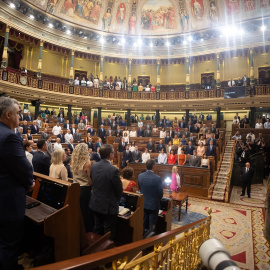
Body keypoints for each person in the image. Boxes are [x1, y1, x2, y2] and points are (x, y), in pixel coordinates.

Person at [0, 97, 34, 270]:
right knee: (8, 245)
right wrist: (30, 183)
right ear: (8, 114)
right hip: (8, 202)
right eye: (18, 113)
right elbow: (25, 169)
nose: (20, 116)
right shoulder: (9, 137)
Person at [89, 144, 123, 239]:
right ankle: (108, 253)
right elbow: (119, 191)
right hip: (108, 206)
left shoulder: (94, 166)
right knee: (108, 233)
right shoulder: (113, 170)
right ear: (111, 155)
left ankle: (96, 251)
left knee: (97, 229)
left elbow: (93, 181)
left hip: (95, 203)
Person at [72, 143, 93, 232]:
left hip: (75, 188)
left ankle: (79, 229)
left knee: (79, 210)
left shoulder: (73, 162)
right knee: (86, 212)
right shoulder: (87, 164)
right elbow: (90, 180)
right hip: (85, 189)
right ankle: (87, 231)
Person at [138, 159, 163, 234]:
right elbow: (160, 194)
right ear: (153, 166)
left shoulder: (140, 176)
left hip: (143, 203)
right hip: (153, 205)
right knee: (152, 226)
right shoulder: (158, 178)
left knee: (143, 223)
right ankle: (151, 243)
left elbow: (140, 189)